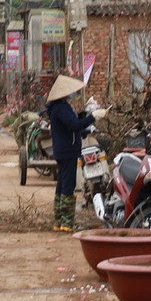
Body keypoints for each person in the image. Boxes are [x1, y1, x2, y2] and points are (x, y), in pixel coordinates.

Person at [44, 75, 99, 232]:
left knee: (62, 184)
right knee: (68, 185)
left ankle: (59, 220)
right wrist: (92, 118)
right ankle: (67, 223)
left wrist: (83, 116)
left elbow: (71, 124)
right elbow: (74, 125)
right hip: (67, 151)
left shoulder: (58, 107)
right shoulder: (61, 108)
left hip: (62, 150)